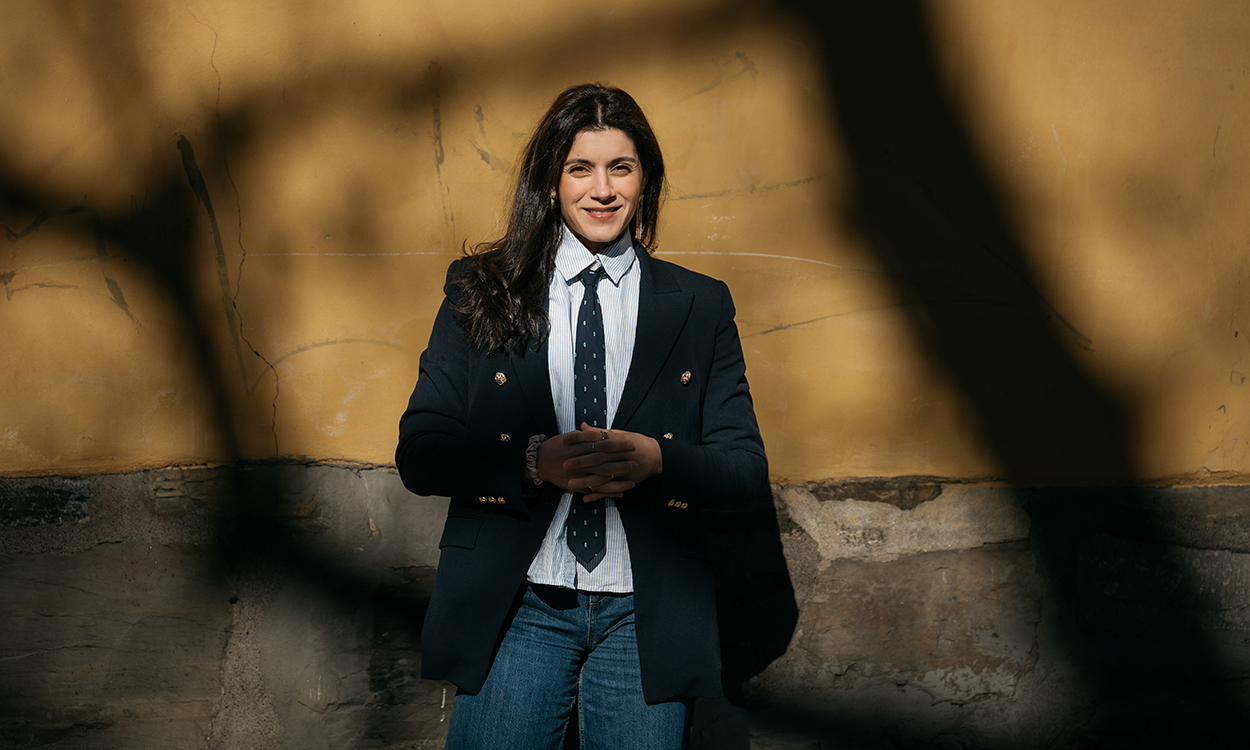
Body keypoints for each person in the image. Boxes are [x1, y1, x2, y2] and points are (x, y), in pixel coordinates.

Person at [396, 83, 768, 750]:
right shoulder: (482, 289)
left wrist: (659, 459)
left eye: (620, 168)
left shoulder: (700, 305)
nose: (602, 190)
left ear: (645, 180)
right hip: (519, 603)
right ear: (551, 181)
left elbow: (743, 470)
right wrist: (531, 462)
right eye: (580, 168)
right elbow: (421, 451)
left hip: (645, 612)